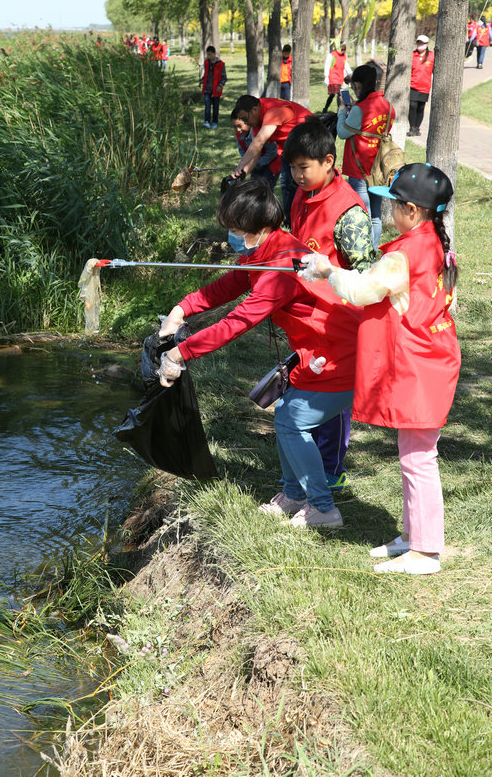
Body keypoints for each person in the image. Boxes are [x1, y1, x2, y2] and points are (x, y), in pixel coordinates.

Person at [158, 178, 362, 527]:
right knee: (285, 410)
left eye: (237, 230)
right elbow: (229, 284)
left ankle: (323, 508)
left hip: (343, 352)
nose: (232, 238)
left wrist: (181, 353)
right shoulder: (267, 251)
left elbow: (237, 322)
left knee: (291, 420)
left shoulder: (280, 268)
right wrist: (183, 308)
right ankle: (293, 494)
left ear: (261, 227)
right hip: (318, 349)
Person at [301, 163, 460, 574]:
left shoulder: (406, 253)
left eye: (393, 204)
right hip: (431, 359)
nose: (388, 211)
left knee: (419, 457)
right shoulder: (430, 241)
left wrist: (327, 269)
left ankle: (425, 552)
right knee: (414, 452)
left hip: (420, 365)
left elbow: (360, 291)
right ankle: (412, 536)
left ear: (412, 209)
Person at [283, 117, 376, 491]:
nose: (296, 175)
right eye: (292, 167)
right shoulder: (300, 197)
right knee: (307, 388)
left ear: (328, 161)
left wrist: (328, 276)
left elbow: (366, 277)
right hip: (308, 318)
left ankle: (332, 468)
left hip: (339, 321)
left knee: (330, 398)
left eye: (303, 167)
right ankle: (309, 462)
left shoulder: (349, 212)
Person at [230, 94, 312, 226]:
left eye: (245, 119)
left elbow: (259, 141)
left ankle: (302, 222)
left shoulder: (272, 112)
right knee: (288, 185)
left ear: (255, 110)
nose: (246, 123)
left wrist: (239, 166)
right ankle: (291, 223)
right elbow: (256, 152)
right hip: (289, 149)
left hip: (308, 144)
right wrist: (243, 172)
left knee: (302, 185)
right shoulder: (256, 121)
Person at [337, 64, 395, 248]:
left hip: (359, 168)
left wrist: (341, 111)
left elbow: (342, 132)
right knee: (375, 215)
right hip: (379, 168)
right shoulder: (388, 106)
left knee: (362, 213)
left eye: (355, 85)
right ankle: (373, 249)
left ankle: (362, 253)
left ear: (359, 85)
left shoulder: (359, 109)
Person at [231, 111, 281, 191]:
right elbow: (243, 152)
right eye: (235, 127)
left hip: (272, 163)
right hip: (255, 165)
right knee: (253, 189)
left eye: (240, 126)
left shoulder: (260, 133)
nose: (238, 130)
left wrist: (256, 164)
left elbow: (272, 152)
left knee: (265, 190)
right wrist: (244, 167)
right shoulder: (238, 135)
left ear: (248, 122)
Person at [408, 35, 434, 136]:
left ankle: (417, 128)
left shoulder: (431, 56)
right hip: (413, 85)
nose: (420, 45)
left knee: (420, 107)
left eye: (422, 44)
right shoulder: (412, 55)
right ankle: (412, 127)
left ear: (427, 45)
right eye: (418, 43)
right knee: (412, 105)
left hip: (425, 86)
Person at [200, 45, 227, 129]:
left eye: (210, 54)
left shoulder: (221, 64)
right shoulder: (206, 62)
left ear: (215, 54)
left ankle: (214, 122)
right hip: (207, 88)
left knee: (215, 107)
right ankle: (207, 121)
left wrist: (220, 85)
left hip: (216, 89)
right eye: (207, 54)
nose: (209, 56)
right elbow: (206, 74)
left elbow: (224, 77)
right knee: (207, 105)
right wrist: (201, 81)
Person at [323, 43, 351, 112]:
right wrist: (326, 76)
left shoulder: (343, 56)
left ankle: (348, 108)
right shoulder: (332, 55)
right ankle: (339, 110)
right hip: (333, 78)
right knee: (338, 93)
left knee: (342, 93)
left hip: (341, 77)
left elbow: (345, 64)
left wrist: (350, 73)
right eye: (342, 49)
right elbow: (327, 65)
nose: (342, 51)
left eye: (344, 50)